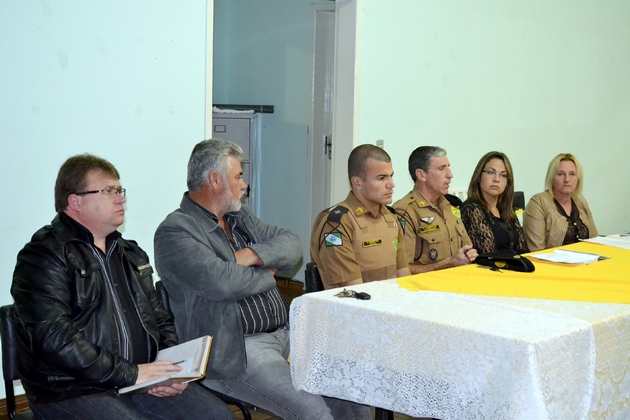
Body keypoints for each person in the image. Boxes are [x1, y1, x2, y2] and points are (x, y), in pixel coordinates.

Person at [154, 139, 371, 420]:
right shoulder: (175, 232)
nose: (244, 185)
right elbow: (223, 283)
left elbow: (292, 244)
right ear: (215, 180)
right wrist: (267, 273)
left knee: (351, 389)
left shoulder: (239, 217)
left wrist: (251, 254)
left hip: (285, 334)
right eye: (238, 176)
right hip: (236, 350)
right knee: (312, 410)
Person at [11, 154, 234, 420]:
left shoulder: (131, 254)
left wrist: (168, 371)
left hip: (139, 380)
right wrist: (131, 373)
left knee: (217, 415)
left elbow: (160, 319)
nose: (120, 199)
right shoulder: (43, 255)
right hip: (73, 390)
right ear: (75, 201)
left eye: (119, 190)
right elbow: (54, 338)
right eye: (108, 191)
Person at [310, 144, 410, 289]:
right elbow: (354, 291)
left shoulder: (391, 218)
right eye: (382, 178)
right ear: (357, 183)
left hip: (392, 300)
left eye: (391, 176)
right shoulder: (338, 224)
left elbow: (404, 278)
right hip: (357, 302)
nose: (391, 184)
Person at [393, 146, 477, 273]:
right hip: (426, 284)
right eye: (441, 169)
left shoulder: (450, 206)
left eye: (448, 167)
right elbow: (402, 270)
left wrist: (470, 255)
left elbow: (467, 248)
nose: (450, 175)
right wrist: (449, 263)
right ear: (421, 175)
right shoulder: (405, 211)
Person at [523, 153, 598, 251]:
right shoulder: (538, 203)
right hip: (551, 261)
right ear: (551, 178)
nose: (567, 180)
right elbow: (537, 251)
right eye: (560, 174)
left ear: (578, 179)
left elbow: (595, 240)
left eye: (572, 174)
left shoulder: (580, 200)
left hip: (587, 259)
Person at [460, 151, 528, 254]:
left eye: (503, 175)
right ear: (479, 176)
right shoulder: (471, 208)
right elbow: (488, 253)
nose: (496, 179)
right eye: (491, 173)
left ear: (508, 182)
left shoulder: (506, 209)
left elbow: (523, 249)